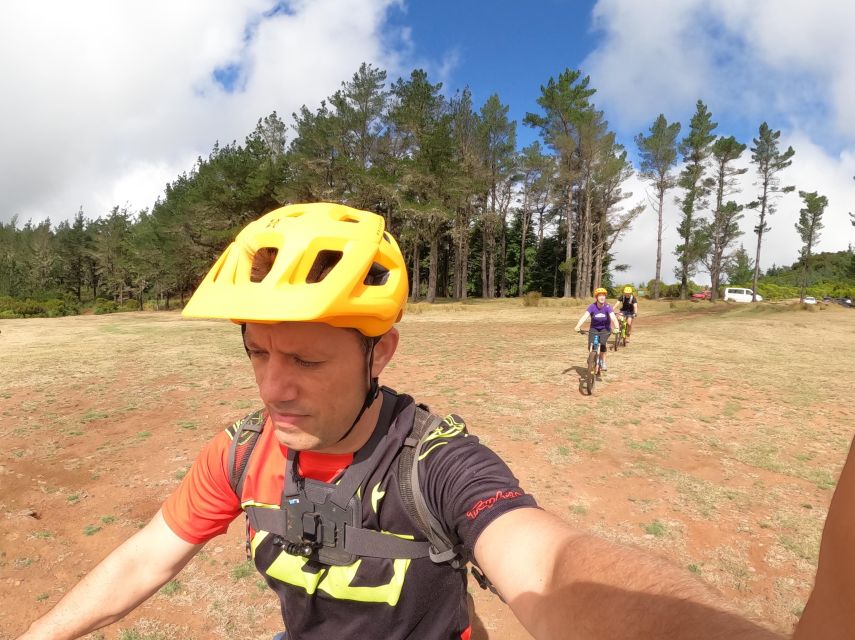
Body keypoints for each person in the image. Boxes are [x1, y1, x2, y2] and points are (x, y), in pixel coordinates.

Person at [19, 203, 796, 640]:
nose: (274, 388)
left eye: (308, 361)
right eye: (257, 354)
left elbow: (553, 566)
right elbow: (141, 560)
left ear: (379, 353)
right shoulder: (239, 454)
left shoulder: (435, 464)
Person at [574, 287, 619, 371]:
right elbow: (584, 317)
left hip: (605, 329)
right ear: (596, 297)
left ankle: (602, 361)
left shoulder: (608, 306)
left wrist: (617, 327)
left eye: (603, 296)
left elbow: (613, 318)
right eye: (600, 296)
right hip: (594, 328)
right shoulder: (592, 306)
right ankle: (592, 356)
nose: (602, 297)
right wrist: (578, 326)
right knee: (591, 344)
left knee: (602, 344)